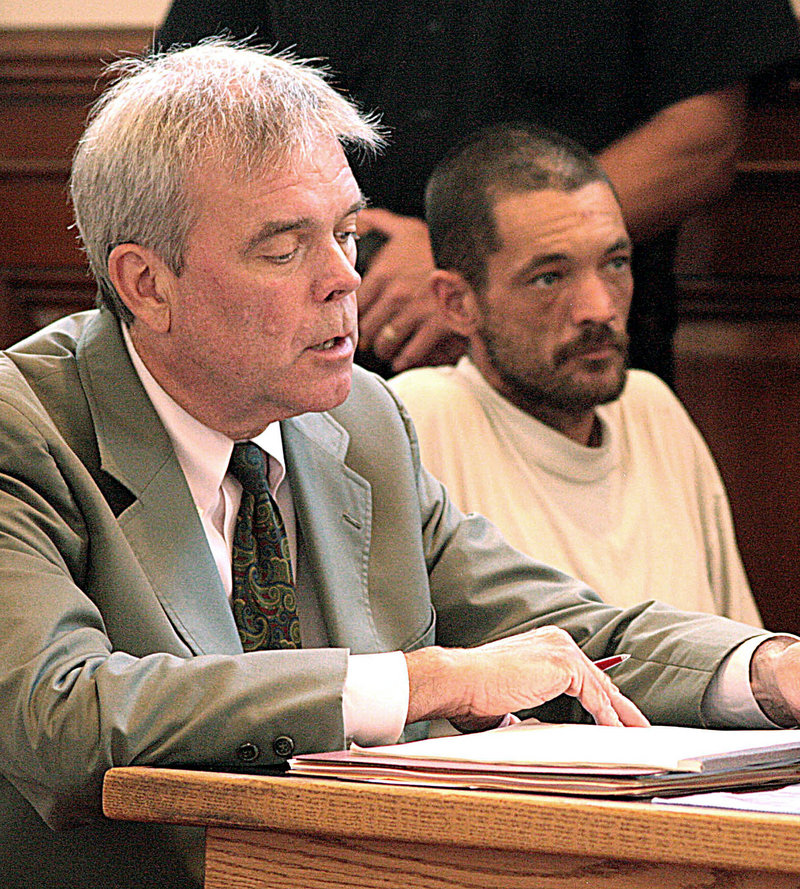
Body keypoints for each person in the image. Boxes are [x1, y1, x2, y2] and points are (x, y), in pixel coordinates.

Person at [1, 42, 800, 889]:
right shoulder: (27, 428)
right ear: (146, 283)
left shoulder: (360, 418)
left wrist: (766, 669)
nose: (344, 279)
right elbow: (63, 712)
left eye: (346, 234)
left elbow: (567, 636)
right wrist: (422, 681)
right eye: (284, 249)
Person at [156, 0, 800, 383]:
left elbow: (702, 139)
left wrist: (458, 262)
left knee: (587, 614)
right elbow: (193, 117)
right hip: (319, 361)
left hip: (564, 367)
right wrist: (329, 255)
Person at [390, 122, 762, 625]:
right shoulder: (419, 421)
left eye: (615, 263)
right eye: (550, 277)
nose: (599, 308)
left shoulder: (653, 412)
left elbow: (739, 665)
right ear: (458, 304)